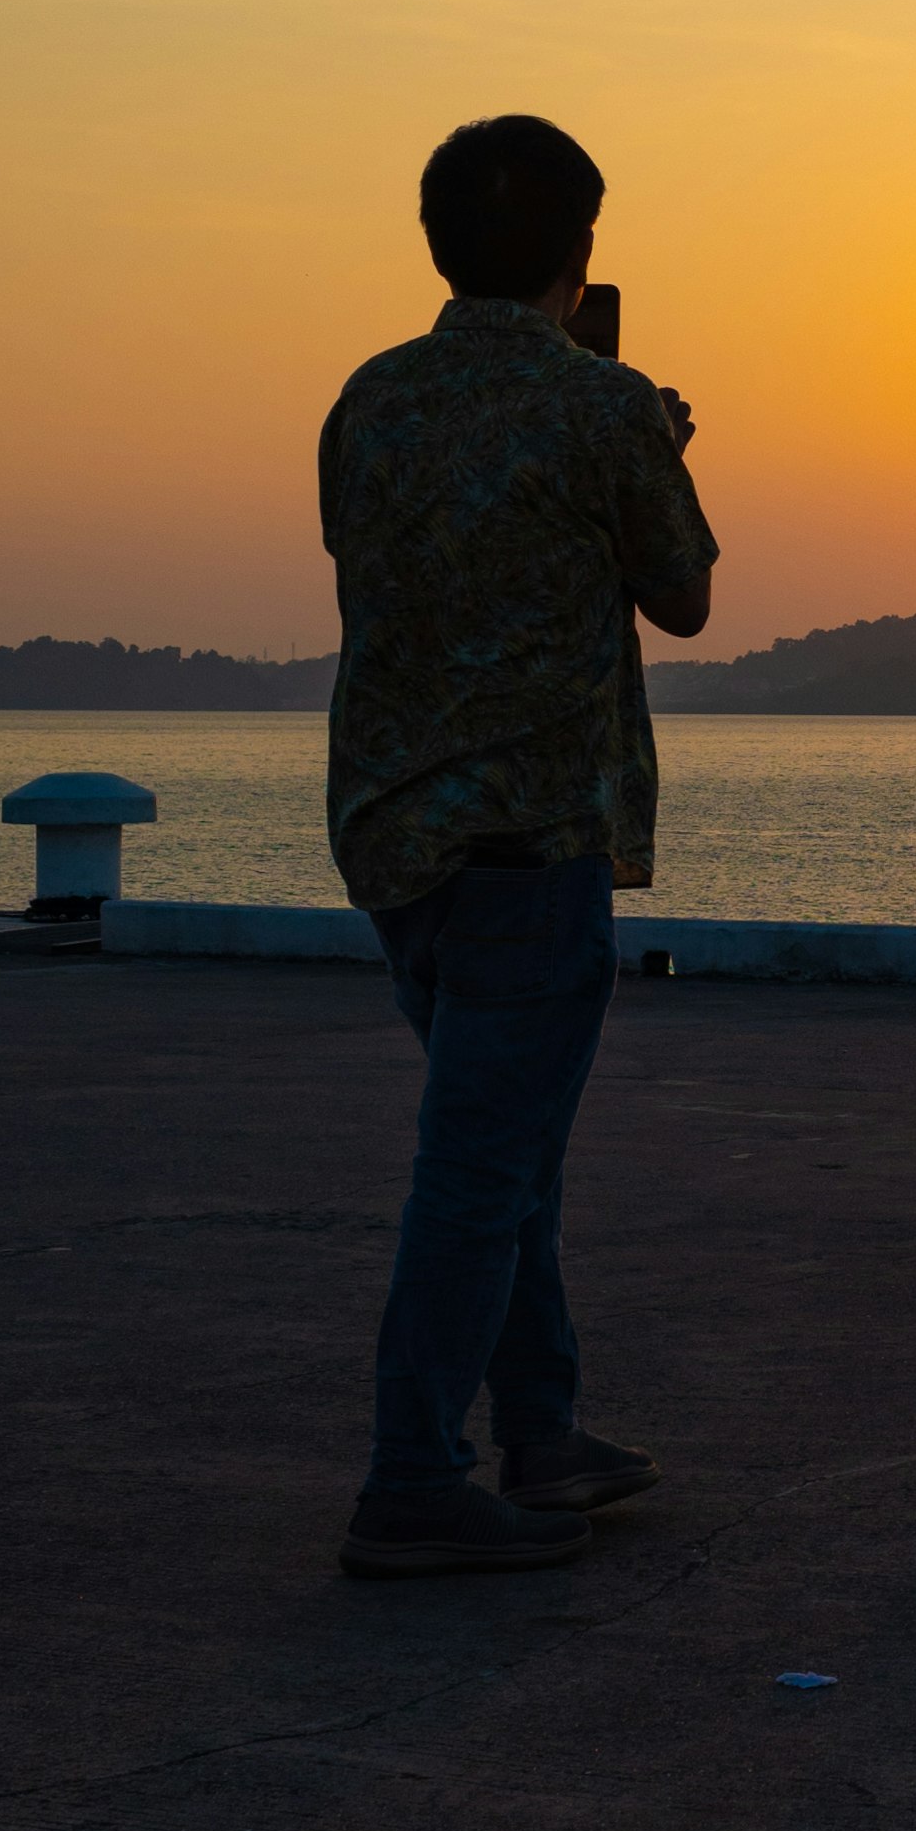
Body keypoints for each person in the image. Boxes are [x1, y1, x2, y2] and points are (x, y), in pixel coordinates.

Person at [319, 114, 717, 1575]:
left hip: (393, 844)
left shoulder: (368, 400)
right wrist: (653, 437)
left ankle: (542, 1433)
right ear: (581, 249)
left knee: (506, 1149)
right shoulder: (598, 409)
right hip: (528, 843)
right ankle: (414, 1479)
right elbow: (683, 595)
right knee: (480, 1175)